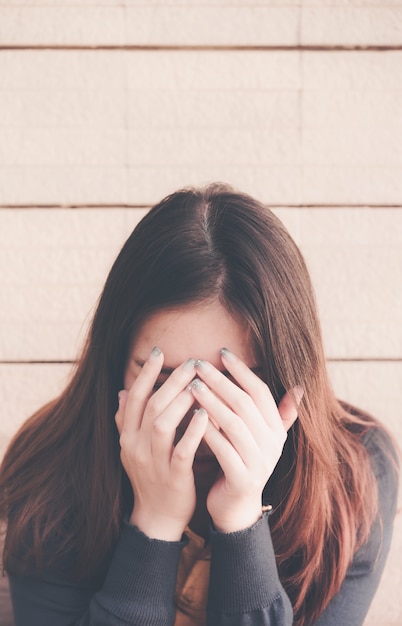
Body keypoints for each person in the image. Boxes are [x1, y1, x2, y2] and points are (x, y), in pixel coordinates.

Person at [0, 184, 398, 626]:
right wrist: (153, 523)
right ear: (114, 364)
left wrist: (241, 520)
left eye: (233, 385)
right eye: (167, 380)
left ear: (289, 372)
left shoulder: (355, 475)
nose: (199, 419)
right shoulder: (49, 472)